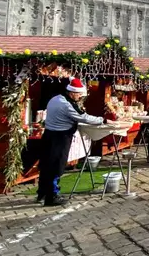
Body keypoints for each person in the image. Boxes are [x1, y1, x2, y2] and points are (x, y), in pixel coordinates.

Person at [39, 78, 105, 206]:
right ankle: (51, 196)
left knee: (46, 165)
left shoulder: (55, 98)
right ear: (72, 93)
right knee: (56, 166)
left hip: (48, 135)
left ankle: (42, 193)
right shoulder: (66, 105)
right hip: (60, 137)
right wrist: (102, 120)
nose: (80, 97)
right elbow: (82, 117)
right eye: (79, 94)